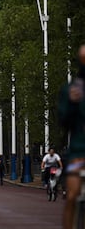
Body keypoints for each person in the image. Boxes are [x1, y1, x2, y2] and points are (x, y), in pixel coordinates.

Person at [58, 44, 85, 229]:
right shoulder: (71, 90)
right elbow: (63, 121)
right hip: (79, 150)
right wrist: (73, 104)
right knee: (72, 195)